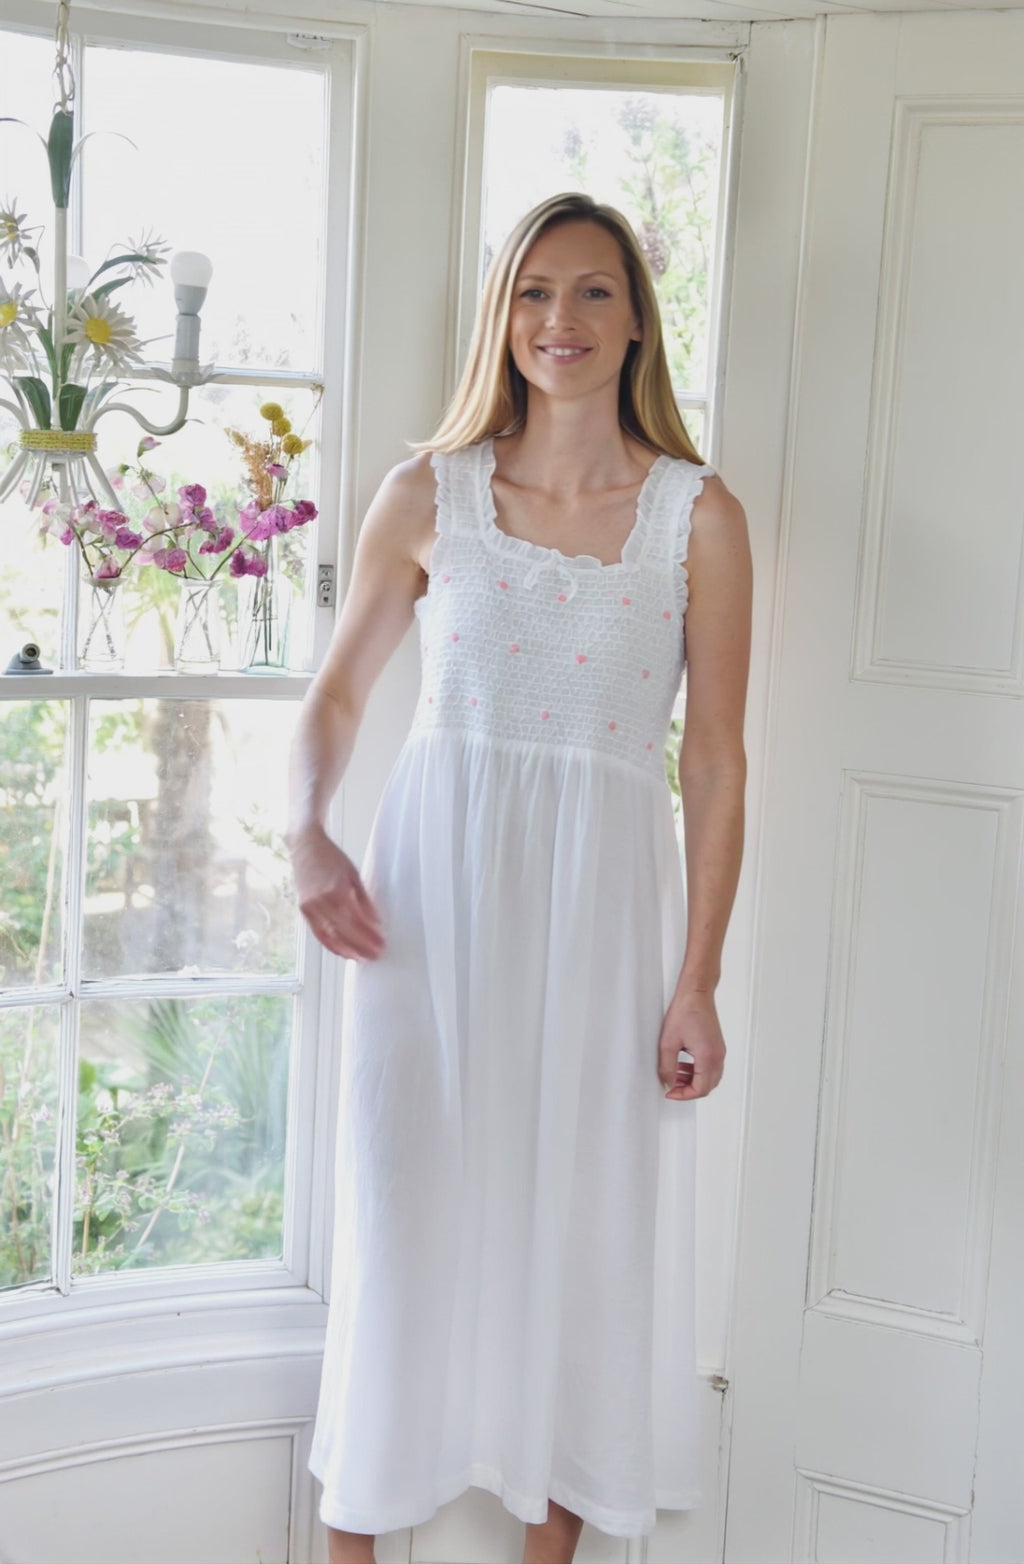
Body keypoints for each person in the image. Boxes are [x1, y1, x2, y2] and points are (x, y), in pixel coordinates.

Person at [287, 192, 752, 1564]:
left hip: (605, 923)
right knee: (406, 1225)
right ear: (503, 316)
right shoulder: (426, 494)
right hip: (432, 917)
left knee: (586, 1235)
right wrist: (305, 830)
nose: (563, 319)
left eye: (595, 290)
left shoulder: (698, 517)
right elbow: (335, 697)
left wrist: (699, 980)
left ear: (638, 320)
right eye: (535, 292)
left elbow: (716, 762)